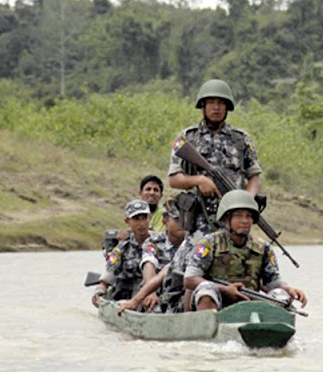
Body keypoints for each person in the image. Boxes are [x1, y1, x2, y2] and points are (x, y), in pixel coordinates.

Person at [168, 79, 262, 244]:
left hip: (232, 220)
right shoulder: (187, 138)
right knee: (191, 266)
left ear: (227, 107)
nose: (216, 107)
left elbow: (254, 176)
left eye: (221, 103)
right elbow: (174, 179)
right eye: (211, 102)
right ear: (203, 106)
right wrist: (199, 180)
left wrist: (245, 201)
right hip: (198, 220)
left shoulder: (242, 139)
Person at [184, 190, 307, 312]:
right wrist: (225, 289)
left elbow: (273, 283)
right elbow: (190, 279)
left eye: (248, 216)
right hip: (217, 302)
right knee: (206, 288)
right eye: (238, 215)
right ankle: (209, 329)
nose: (245, 221)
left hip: (250, 304)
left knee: (281, 295)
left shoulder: (263, 248)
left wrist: (289, 290)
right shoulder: (209, 243)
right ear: (226, 220)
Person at [92, 199, 151, 308]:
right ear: (127, 222)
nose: (141, 223)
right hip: (125, 301)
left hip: (151, 299)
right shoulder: (121, 249)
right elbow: (106, 279)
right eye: (136, 219)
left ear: (150, 218)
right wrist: (99, 293)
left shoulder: (160, 243)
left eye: (144, 218)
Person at [133, 197, 186, 312]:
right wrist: (151, 292)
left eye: (185, 219)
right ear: (165, 222)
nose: (182, 223)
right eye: (177, 220)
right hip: (157, 294)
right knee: (153, 308)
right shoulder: (154, 242)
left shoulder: (192, 242)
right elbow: (149, 264)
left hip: (182, 294)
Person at [101, 175, 165, 258]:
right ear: (140, 193)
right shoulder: (131, 209)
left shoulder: (166, 214)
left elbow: (164, 237)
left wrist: (131, 234)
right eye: (148, 189)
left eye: (156, 190)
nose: (152, 193)